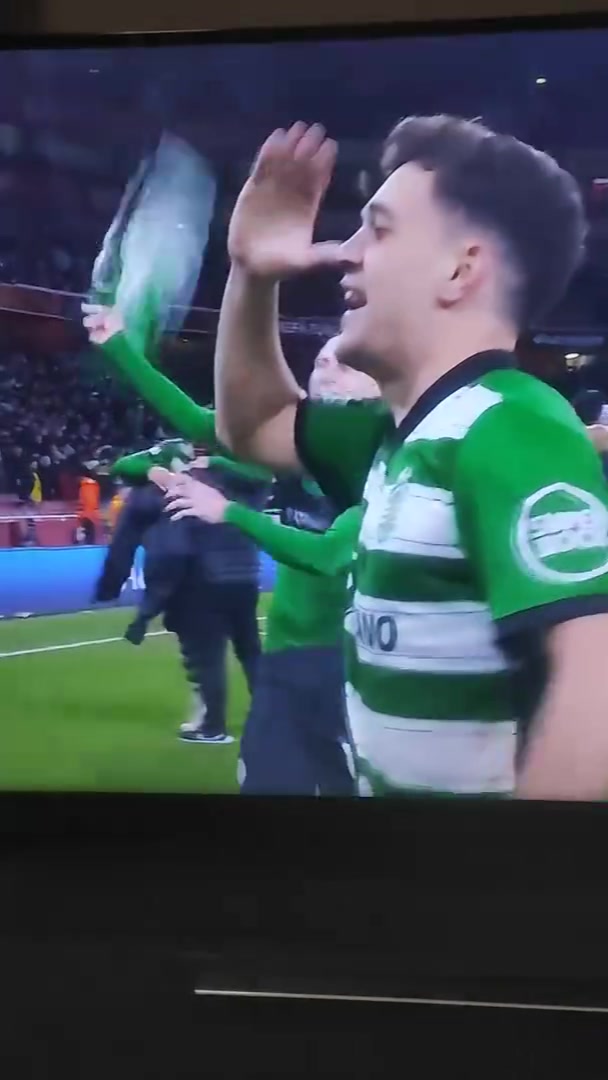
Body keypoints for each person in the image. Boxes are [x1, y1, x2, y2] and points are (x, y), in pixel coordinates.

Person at [213, 116, 608, 802]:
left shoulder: (508, 425)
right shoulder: (402, 433)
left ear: (460, 270)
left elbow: (595, 678)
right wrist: (252, 275)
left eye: (380, 229)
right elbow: (253, 426)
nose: (345, 252)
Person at [82, 306, 374, 794]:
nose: (327, 368)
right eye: (321, 361)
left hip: (347, 660)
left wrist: (229, 512)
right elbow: (200, 422)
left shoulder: (383, 463)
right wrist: (117, 345)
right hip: (285, 656)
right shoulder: (297, 445)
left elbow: (328, 556)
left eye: (344, 365)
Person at [96, 452, 268, 744]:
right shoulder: (240, 475)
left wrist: (119, 590)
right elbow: (264, 477)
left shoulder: (162, 488)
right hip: (244, 576)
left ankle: (211, 727)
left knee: (206, 657)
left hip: (199, 579)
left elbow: (132, 532)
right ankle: (273, 718)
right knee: (250, 651)